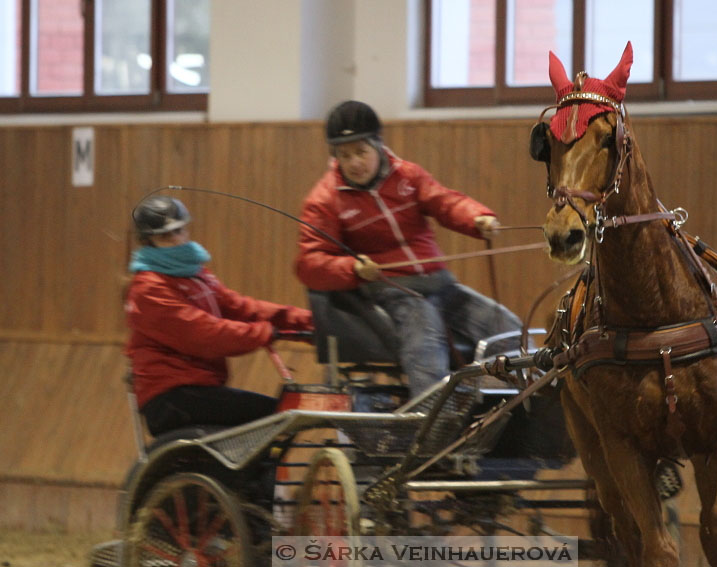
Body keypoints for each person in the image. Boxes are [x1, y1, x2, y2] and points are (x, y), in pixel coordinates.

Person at [295, 100, 522, 397]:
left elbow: (445, 202)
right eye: (344, 155)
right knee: (426, 341)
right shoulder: (324, 200)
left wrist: (478, 218)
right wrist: (353, 268)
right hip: (394, 292)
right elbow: (310, 263)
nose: (354, 163)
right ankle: (433, 426)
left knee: (508, 327)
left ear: (377, 146)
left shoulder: (408, 176)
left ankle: (516, 410)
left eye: (361, 152)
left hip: (442, 286)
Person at [125, 195, 313, 436]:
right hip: (171, 395)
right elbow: (202, 334)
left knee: (277, 414)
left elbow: (242, 308)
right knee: (275, 414)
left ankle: (256, 473)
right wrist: (263, 333)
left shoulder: (195, 274)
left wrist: (308, 322)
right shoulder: (148, 288)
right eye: (165, 236)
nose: (176, 240)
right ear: (148, 241)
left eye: (180, 231)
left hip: (197, 388)